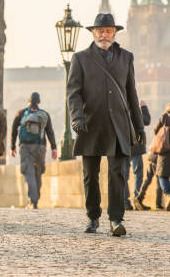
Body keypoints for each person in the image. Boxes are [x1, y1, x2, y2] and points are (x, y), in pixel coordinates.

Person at [67, 13, 144, 236]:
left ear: (115, 33)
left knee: (118, 174)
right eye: (100, 30)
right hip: (90, 124)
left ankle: (116, 220)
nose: (104, 34)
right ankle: (93, 217)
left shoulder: (126, 57)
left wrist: (139, 127)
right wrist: (77, 117)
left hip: (119, 125)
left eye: (108, 30)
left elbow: (132, 94)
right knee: (90, 175)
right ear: (93, 33)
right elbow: (73, 92)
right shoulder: (81, 58)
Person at [10, 92, 57, 209]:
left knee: (29, 172)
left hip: (25, 147)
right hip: (40, 147)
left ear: (28, 101)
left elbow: (14, 130)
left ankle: (33, 200)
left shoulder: (21, 113)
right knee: (38, 172)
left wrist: (12, 147)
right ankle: (36, 197)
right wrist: (54, 147)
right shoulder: (44, 114)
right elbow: (50, 132)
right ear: (39, 102)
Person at [123, 101, 151, 210]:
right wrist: (143, 107)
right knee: (137, 174)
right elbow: (146, 120)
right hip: (135, 147)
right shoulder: (136, 110)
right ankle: (137, 199)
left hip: (124, 146)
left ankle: (126, 202)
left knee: (124, 176)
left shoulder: (120, 108)